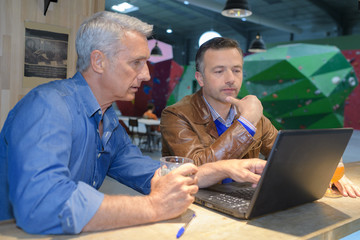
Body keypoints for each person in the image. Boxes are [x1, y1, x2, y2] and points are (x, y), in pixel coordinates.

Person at [0, 12, 267, 235]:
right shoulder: (48, 106)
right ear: (98, 61)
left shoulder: (109, 120)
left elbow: (153, 174)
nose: (147, 74)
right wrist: (153, 207)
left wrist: (223, 167)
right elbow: (41, 206)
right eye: (136, 63)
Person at [160, 37, 360, 198]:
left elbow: (285, 156)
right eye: (219, 71)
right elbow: (195, 170)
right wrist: (246, 123)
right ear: (200, 78)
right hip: (197, 205)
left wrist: (321, 171)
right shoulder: (177, 114)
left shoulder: (253, 115)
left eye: (236, 70)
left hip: (244, 200)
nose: (230, 78)